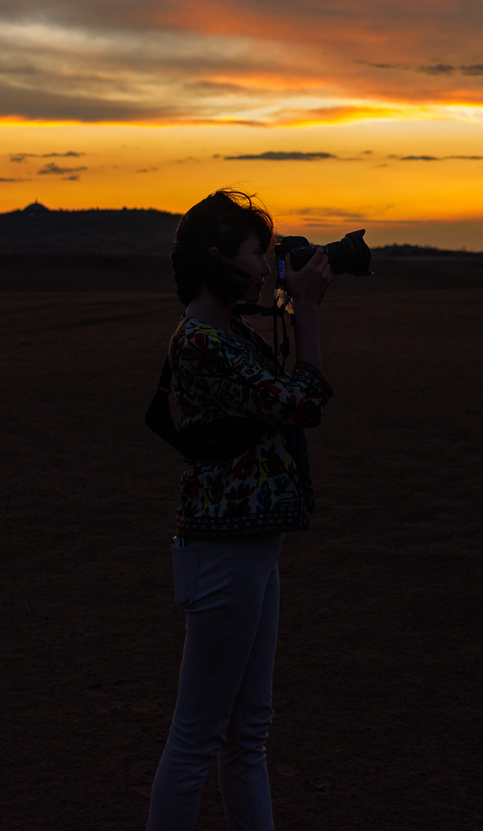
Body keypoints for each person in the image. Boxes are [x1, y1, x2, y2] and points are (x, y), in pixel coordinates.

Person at [147, 190, 333, 831]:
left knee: (246, 735)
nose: (266, 267)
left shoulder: (231, 333)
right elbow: (298, 404)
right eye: (259, 253)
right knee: (198, 737)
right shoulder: (202, 343)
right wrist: (306, 314)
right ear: (218, 258)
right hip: (224, 552)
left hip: (251, 549)